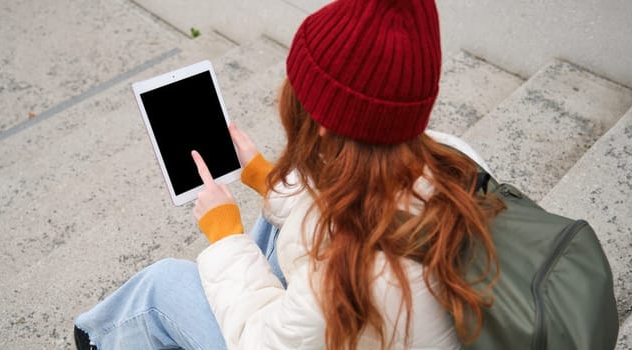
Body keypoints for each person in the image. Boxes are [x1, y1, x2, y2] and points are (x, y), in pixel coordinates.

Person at [74, 0, 505, 348]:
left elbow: (260, 342)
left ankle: (94, 339)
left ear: (322, 120)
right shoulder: (456, 157)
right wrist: (264, 176)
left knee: (162, 285)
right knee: (275, 225)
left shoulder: (347, 269)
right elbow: (347, 201)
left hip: (327, 320)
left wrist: (225, 236)